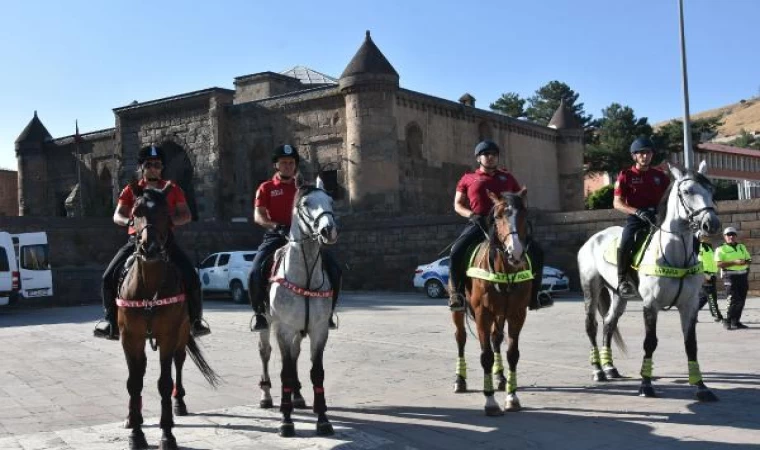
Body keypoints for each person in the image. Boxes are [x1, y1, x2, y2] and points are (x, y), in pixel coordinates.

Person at [94, 145, 211, 340]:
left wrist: (167, 222)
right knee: (108, 276)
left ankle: (195, 321)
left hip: (165, 241)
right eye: (149, 165)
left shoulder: (172, 189)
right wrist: (130, 222)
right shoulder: (131, 190)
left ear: (162, 167)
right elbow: (118, 215)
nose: (153, 169)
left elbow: (186, 214)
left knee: (191, 275)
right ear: (141, 167)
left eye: (157, 165)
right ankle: (110, 322)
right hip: (137, 241)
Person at [448, 140, 550, 312]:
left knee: (537, 251)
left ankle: (536, 294)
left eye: (494, 155)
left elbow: (519, 197)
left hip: (505, 223)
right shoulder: (467, 179)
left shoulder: (507, 177)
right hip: (479, 222)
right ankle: (456, 294)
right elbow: (457, 205)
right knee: (456, 251)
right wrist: (472, 215)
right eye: (486, 154)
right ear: (478, 158)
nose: (490, 157)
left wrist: (519, 213)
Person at [249, 144, 342, 331]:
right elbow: (258, 216)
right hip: (276, 235)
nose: (288, 166)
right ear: (276, 165)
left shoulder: (306, 189)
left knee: (334, 267)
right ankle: (259, 314)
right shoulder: (266, 187)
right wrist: (275, 225)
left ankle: (329, 312)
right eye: (284, 163)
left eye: (291, 163)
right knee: (255, 270)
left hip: (305, 236)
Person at [612, 137, 670, 298]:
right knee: (626, 240)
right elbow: (617, 203)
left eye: (648, 153)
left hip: (659, 216)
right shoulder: (626, 175)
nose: (645, 156)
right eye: (641, 153)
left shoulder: (661, 176)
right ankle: (623, 280)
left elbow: (670, 197)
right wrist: (637, 212)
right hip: (637, 217)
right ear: (634, 156)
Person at [714, 227, 752, 330]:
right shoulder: (720, 249)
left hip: (743, 276)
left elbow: (749, 259)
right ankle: (727, 320)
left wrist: (745, 262)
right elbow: (719, 264)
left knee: (742, 299)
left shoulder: (741, 247)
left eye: (733, 234)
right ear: (725, 237)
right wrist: (734, 262)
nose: (731, 236)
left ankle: (736, 321)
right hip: (730, 277)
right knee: (733, 299)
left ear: (736, 236)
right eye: (728, 235)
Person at [696, 231, 722, 322]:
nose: (706, 236)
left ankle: (692, 314)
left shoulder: (708, 246)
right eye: (703, 235)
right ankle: (717, 315)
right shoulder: (698, 248)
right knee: (711, 296)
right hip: (705, 275)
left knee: (703, 297)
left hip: (711, 275)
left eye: (706, 235)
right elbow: (697, 263)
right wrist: (704, 275)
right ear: (698, 237)